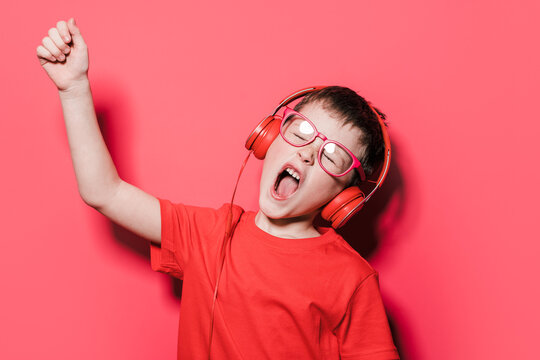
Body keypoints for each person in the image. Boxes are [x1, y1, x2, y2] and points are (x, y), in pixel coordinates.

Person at [37, 18, 400, 360]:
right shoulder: (210, 234)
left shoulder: (352, 279)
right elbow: (105, 193)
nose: (306, 154)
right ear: (269, 136)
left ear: (345, 197)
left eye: (332, 156)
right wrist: (74, 90)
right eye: (302, 132)